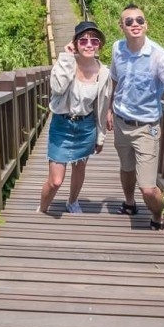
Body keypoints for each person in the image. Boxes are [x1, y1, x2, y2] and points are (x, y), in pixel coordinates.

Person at [106, 3, 164, 230]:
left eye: (140, 20)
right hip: (120, 121)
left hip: (146, 127)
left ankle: (157, 215)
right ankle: (129, 203)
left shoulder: (159, 57)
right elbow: (115, 80)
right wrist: (108, 109)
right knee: (126, 168)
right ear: (121, 26)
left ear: (147, 25)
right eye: (129, 21)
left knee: (148, 187)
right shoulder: (117, 49)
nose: (135, 24)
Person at [40, 21, 112, 214]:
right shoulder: (66, 63)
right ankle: (43, 208)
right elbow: (57, 88)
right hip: (62, 125)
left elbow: (102, 107)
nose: (89, 44)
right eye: (83, 40)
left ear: (100, 45)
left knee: (79, 168)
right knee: (55, 181)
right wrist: (66, 57)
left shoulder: (104, 73)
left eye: (94, 41)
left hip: (86, 126)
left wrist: (100, 136)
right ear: (75, 43)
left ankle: (72, 201)